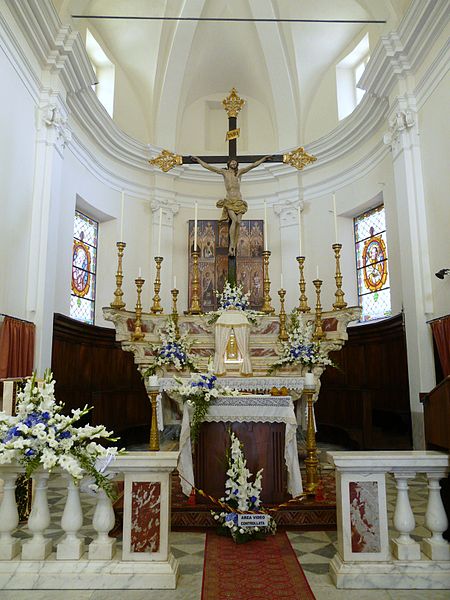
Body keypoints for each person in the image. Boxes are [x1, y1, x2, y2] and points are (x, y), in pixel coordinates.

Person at [190, 155, 273, 256]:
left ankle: (234, 244)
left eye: (235, 162)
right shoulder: (224, 172)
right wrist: (198, 160)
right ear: (228, 163)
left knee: (238, 222)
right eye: (232, 162)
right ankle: (231, 246)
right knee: (234, 220)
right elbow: (209, 167)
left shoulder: (239, 172)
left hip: (239, 201)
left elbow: (252, 166)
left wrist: (264, 159)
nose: (234, 163)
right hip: (229, 201)